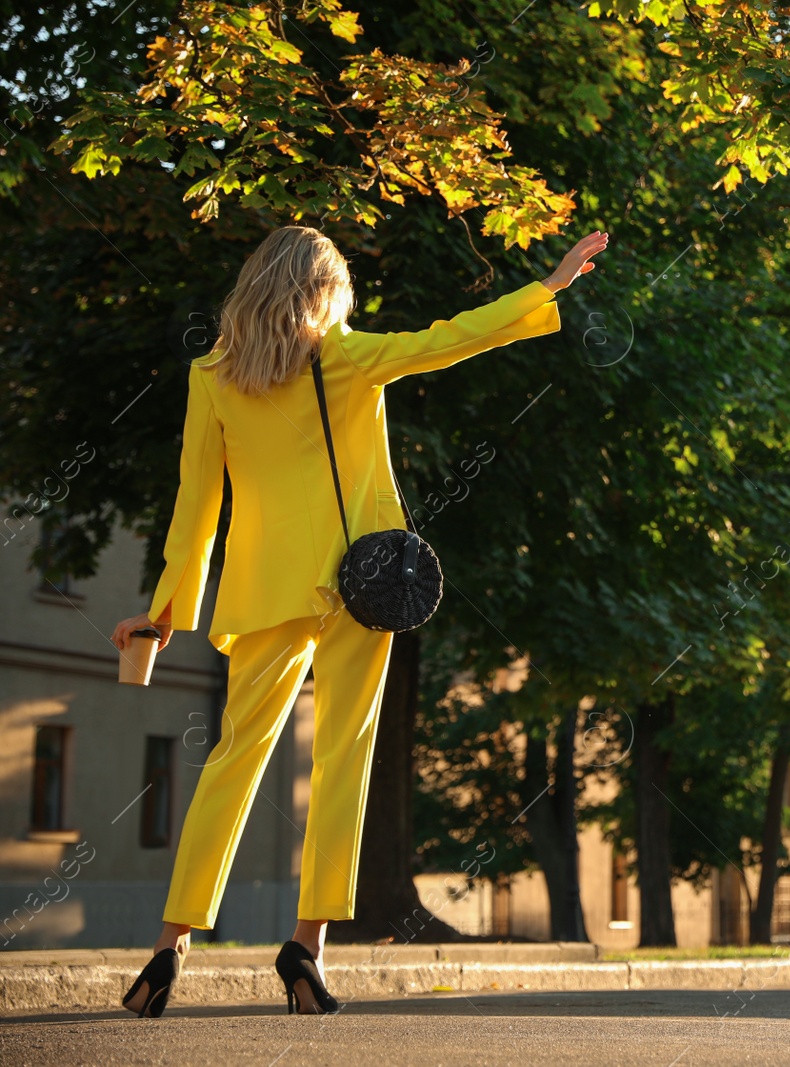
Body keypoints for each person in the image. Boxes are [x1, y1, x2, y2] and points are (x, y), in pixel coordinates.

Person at [110, 224, 609, 1016]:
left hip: (266, 589)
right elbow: (449, 340)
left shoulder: (212, 375)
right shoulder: (345, 355)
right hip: (361, 582)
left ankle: (169, 946)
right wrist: (546, 289)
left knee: (233, 760)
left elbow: (195, 509)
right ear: (324, 290)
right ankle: (305, 948)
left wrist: (167, 612)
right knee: (342, 759)